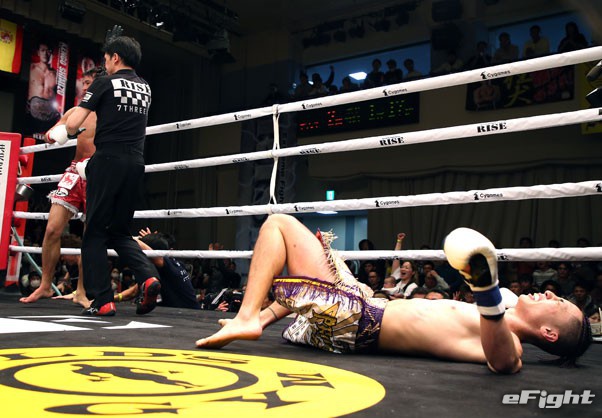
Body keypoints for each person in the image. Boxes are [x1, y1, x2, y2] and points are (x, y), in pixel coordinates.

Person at [196, 215, 592, 373]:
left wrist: (484, 288)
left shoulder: (509, 343)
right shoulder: (501, 311)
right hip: (364, 304)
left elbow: (503, 362)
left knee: (278, 225)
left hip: (358, 319)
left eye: (559, 304)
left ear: (549, 334)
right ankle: (257, 318)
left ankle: (247, 317)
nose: (549, 294)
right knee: (322, 257)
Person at [59, 26, 160, 316]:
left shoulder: (105, 83)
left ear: (115, 58)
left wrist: (68, 130)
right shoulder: (145, 87)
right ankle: (148, 276)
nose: (104, 64)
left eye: (106, 58)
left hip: (107, 160)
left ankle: (102, 300)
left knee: (94, 233)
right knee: (119, 232)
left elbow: (72, 124)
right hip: (135, 163)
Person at [19, 67, 104, 308]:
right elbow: (50, 134)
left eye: (88, 82)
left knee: (90, 235)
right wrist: (58, 134)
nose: (84, 87)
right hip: (74, 170)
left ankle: (81, 291)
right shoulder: (75, 112)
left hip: (98, 173)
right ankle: (45, 285)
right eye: (83, 82)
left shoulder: (109, 113)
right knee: (52, 229)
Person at [114, 230, 201, 310]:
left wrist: (127, 238)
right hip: (178, 312)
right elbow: (134, 291)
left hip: (187, 314)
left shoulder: (168, 266)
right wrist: (150, 239)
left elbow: (155, 256)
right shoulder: (171, 264)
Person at [27, 43, 59, 126]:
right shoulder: (31, 68)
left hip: (49, 113)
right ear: (38, 52)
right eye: (43, 50)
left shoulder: (56, 74)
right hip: (32, 111)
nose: (45, 53)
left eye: (48, 51)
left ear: (51, 53)